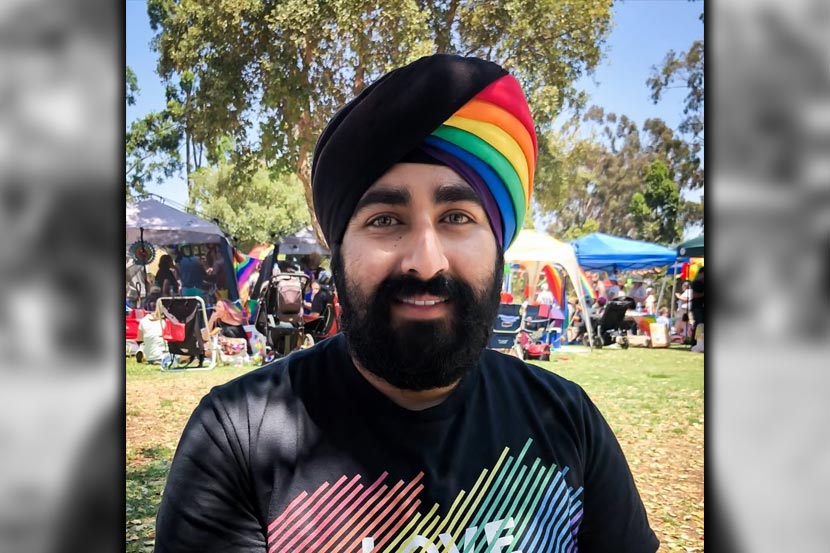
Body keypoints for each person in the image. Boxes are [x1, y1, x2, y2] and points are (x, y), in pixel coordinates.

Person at [154, 54, 658, 552]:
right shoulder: (239, 436)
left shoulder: (567, 421)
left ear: (498, 247)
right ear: (339, 253)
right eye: (385, 220)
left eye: (457, 217)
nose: (426, 262)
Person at [690, 267, 705, 346]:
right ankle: (695, 341)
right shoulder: (696, 283)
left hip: (702, 306)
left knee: (700, 323)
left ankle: (699, 341)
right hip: (697, 306)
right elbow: (694, 295)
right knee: (699, 323)